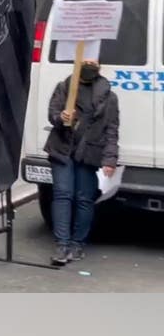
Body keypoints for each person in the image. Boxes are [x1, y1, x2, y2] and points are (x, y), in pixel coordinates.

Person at [44, 59, 120, 265]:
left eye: (92, 60)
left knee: (84, 199)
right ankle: (62, 244)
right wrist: (62, 117)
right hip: (62, 150)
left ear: (99, 66)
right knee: (62, 195)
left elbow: (111, 130)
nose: (88, 63)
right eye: (84, 59)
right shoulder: (65, 87)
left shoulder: (109, 97)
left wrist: (110, 159)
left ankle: (77, 244)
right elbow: (52, 115)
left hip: (90, 153)